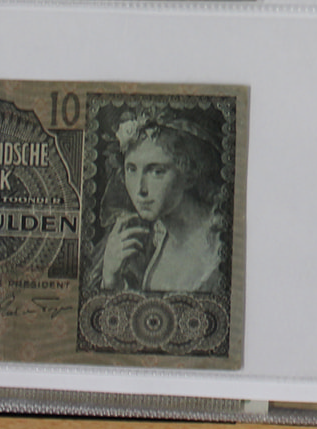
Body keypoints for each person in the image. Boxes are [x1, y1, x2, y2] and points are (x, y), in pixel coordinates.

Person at [96, 109, 225, 294]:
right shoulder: (146, 243)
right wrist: (110, 279)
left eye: (157, 172)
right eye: (131, 169)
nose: (140, 190)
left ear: (188, 174)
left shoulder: (220, 240)